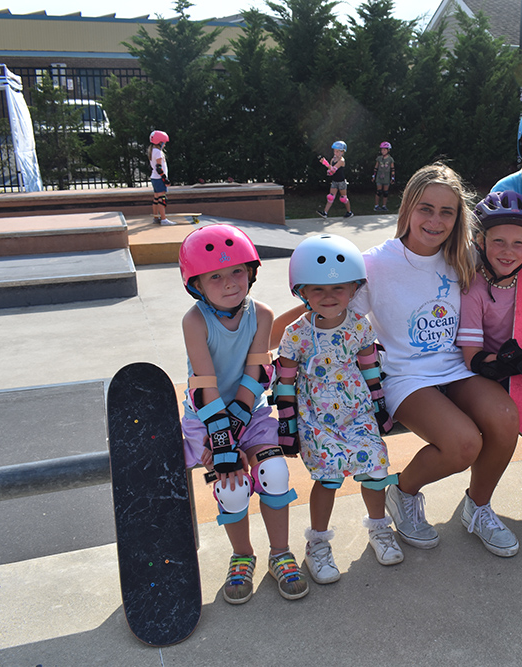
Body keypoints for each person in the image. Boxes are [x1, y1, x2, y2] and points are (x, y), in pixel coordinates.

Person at [352, 162, 521, 558]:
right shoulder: (373, 263)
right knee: (464, 445)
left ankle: (477, 508)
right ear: (408, 207)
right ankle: (404, 492)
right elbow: (333, 310)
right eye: (426, 208)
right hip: (405, 376)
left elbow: (518, 263)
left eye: (447, 211)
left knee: (505, 416)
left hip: (456, 367)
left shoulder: (464, 256)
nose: (435, 219)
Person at [178, 224, 307, 605]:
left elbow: (256, 374)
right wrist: (221, 444)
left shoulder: (261, 314)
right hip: (208, 415)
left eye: (236, 270)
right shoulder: (195, 321)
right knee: (231, 488)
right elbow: (204, 385)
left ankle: (280, 553)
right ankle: (242, 555)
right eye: (215, 275)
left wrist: (233, 435)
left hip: (249, 413)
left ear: (251, 271)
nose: (229, 282)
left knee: (274, 471)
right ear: (197, 284)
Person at [275, 233, 404, 584]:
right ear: (301, 291)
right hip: (316, 418)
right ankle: (317, 542)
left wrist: (379, 405)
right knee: (328, 477)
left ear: (354, 289)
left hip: (357, 413)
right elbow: (284, 381)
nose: (329, 297)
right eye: (317, 290)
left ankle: (379, 528)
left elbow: (370, 369)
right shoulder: (296, 334)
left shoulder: (360, 327)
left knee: (376, 469)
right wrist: (286, 424)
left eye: (339, 289)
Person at [456, 190, 522, 391]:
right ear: (480, 241)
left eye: (518, 243)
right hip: (502, 374)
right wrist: (520, 361)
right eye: (498, 241)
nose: (508, 251)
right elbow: (473, 359)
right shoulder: (473, 290)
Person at [318, 140, 354, 219]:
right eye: (335, 151)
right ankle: (325, 213)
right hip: (334, 181)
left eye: (337, 151)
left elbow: (334, 169)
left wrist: (325, 164)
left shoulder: (341, 160)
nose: (335, 153)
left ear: (342, 152)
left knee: (343, 198)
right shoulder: (332, 159)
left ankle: (349, 212)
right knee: (331, 197)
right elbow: (331, 171)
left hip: (341, 182)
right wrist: (329, 171)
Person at [149, 130, 173, 225]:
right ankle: (163, 219)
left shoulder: (152, 151)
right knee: (162, 198)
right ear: (160, 142)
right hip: (159, 179)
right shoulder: (158, 152)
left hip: (154, 178)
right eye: (164, 143)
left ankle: (156, 217)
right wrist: (165, 179)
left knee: (156, 198)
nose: (164, 145)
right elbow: (159, 168)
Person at [373, 141, 395, 211]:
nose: (383, 151)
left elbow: (392, 168)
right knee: (378, 191)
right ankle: (376, 206)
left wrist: (393, 177)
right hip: (379, 176)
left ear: (388, 150)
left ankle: (384, 206)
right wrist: (373, 176)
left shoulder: (390, 159)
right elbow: (376, 167)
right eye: (382, 149)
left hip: (386, 177)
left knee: (385, 192)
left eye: (385, 150)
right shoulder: (379, 158)